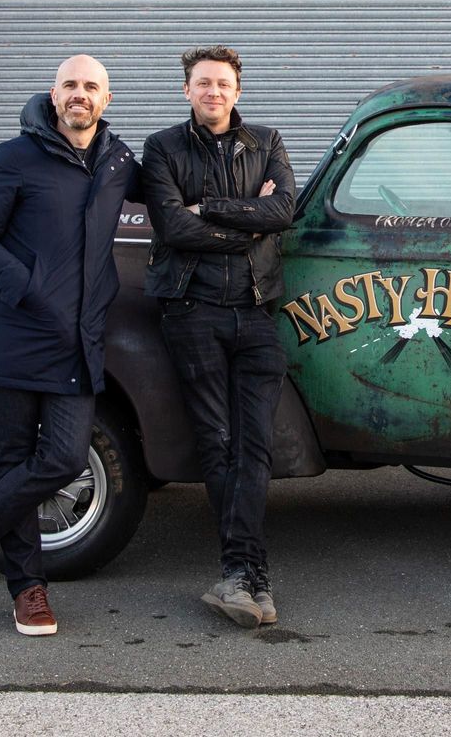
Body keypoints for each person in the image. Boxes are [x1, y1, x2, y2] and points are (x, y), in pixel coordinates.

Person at [0, 54, 138, 637]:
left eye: (92, 86)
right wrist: (29, 289)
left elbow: (173, 195)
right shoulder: (14, 156)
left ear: (107, 100)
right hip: (18, 335)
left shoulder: (117, 163)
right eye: (70, 85)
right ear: (53, 93)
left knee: (63, 457)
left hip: (78, 341)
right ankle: (27, 590)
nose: (80, 95)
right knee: (12, 461)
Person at [138, 46, 296, 628]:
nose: (213, 92)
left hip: (255, 312)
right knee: (217, 439)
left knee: (254, 444)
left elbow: (283, 210)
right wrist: (242, 227)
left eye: (223, 83)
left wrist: (211, 209)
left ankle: (241, 574)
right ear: (187, 91)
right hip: (192, 310)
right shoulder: (162, 148)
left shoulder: (266, 141)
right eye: (203, 83)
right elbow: (172, 225)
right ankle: (245, 574)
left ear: (238, 91)